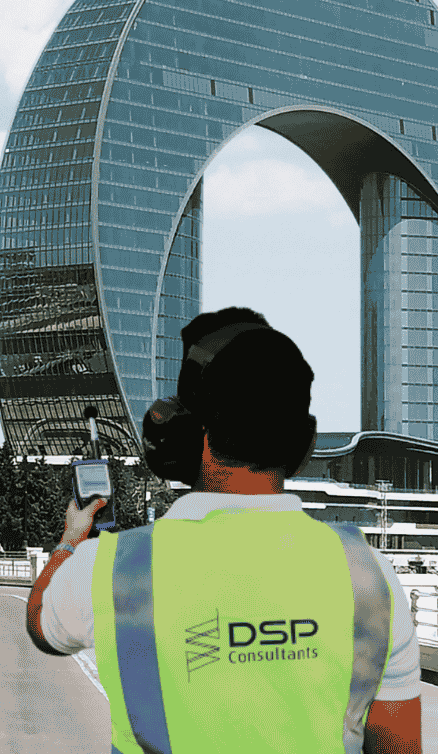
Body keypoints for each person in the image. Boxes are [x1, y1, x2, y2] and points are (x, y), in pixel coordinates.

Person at [26, 307, 422, 754]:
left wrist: (70, 542)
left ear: (191, 437)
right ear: (305, 443)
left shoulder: (111, 568)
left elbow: (41, 624)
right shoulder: (369, 576)